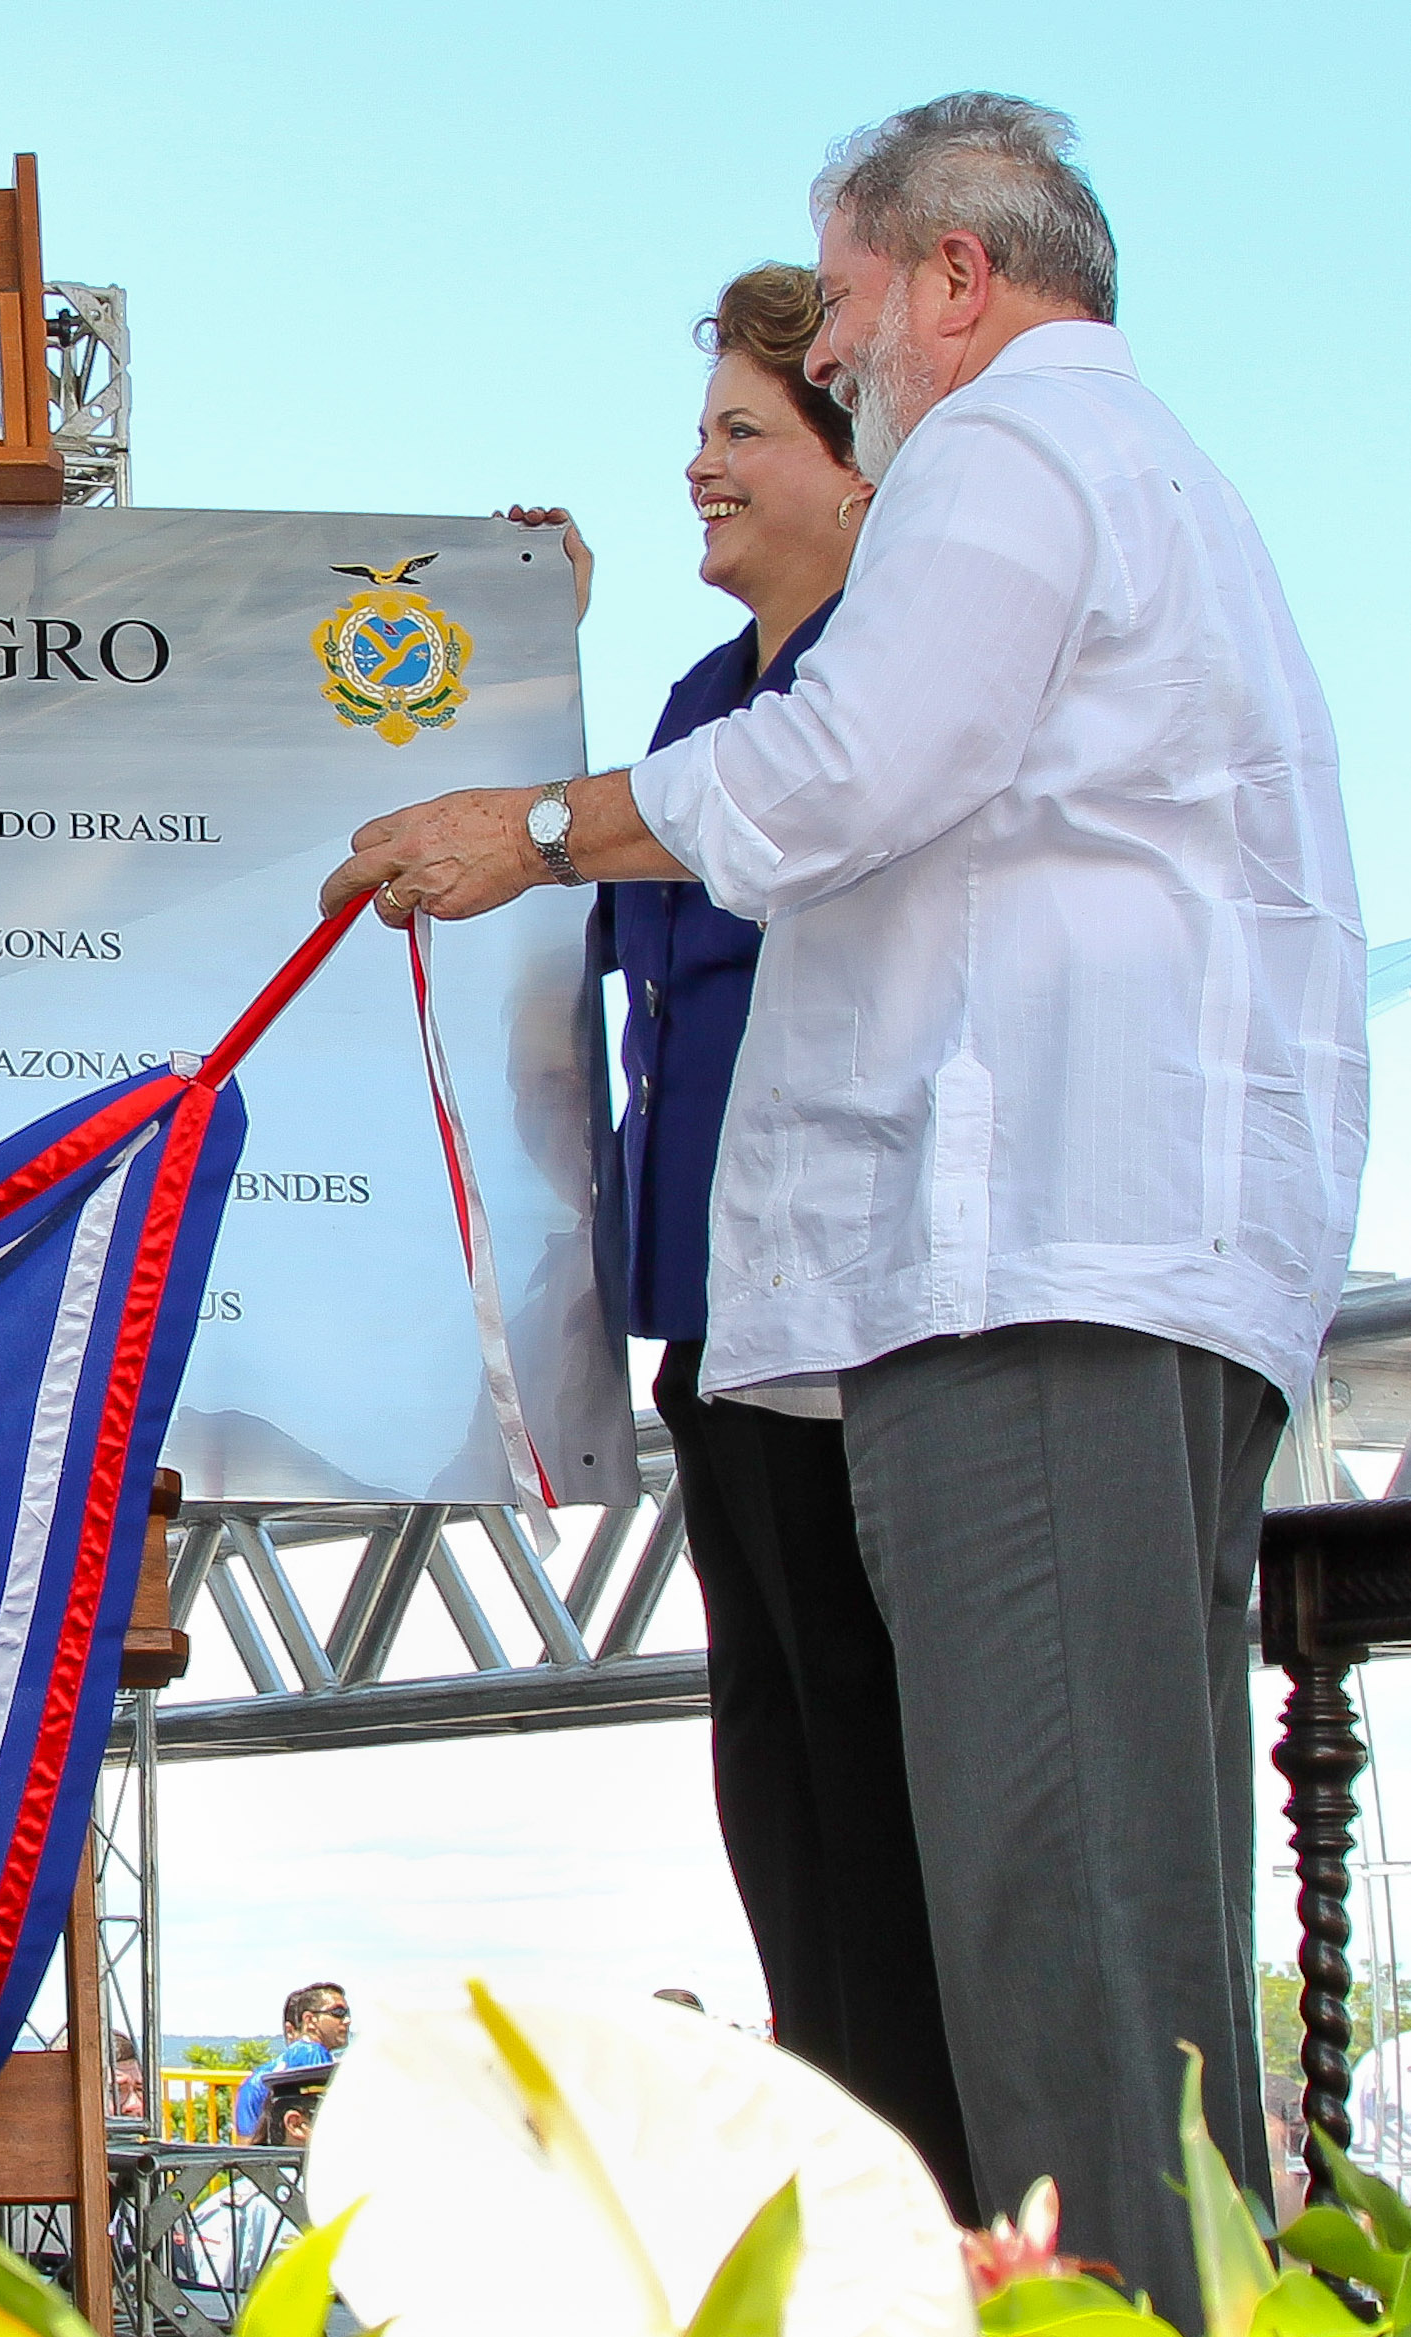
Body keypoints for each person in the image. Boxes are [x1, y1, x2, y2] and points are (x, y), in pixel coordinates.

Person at [323, 94, 1361, 2320]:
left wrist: (529, 820)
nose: (846, 361)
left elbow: (844, 765)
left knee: (1053, 1905)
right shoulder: (1140, 471)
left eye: (852, 301)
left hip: (1024, 1285)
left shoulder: (1001, 454)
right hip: (1103, 1261)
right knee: (1099, 1903)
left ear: (954, 280)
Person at [569, 263, 975, 2218]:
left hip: (859, 1323)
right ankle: (848, 2163)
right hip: (718, 1338)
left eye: (742, 432)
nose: (698, 468)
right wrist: (509, 648)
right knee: (775, 1772)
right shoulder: (689, 709)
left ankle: (939, 2191)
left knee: (881, 1776)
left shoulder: (884, 699)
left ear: (853, 470)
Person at [234, 1981, 347, 2141]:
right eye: (338, 2012)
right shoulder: (313, 2053)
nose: (347, 2020)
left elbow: (245, 2146)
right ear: (310, 2020)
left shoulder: (253, 2079)